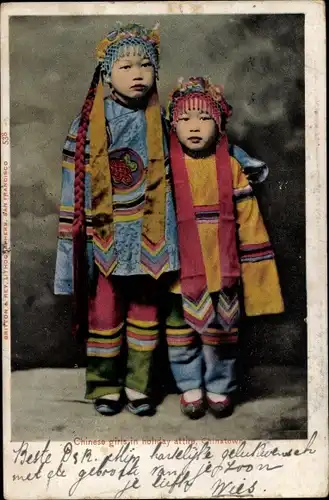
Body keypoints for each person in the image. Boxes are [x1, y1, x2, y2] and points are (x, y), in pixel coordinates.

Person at [54, 23, 180, 417]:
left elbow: (199, 157)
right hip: (105, 236)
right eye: (126, 67)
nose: (138, 73)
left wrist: (241, 164)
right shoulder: (89, 123)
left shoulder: (163, 122)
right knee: (104, 315)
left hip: (150, 236)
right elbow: (72, 184)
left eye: (146, 65)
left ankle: (138, 386)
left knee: (145, 312)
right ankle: (106, 386)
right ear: (107, 75)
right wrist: (77, 239)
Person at [165, 76, 284, 419]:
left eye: (204, 118)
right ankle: (188, 384)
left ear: (218, 125)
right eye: (185, 119)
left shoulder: (231, 167)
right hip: (180, 271)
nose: (194, 127)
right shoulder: (169, 168)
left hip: (222, 265)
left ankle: (219, 386)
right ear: (173, 126)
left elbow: (248, 218)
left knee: (222, 333)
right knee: (180, 332)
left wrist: (251, 261)